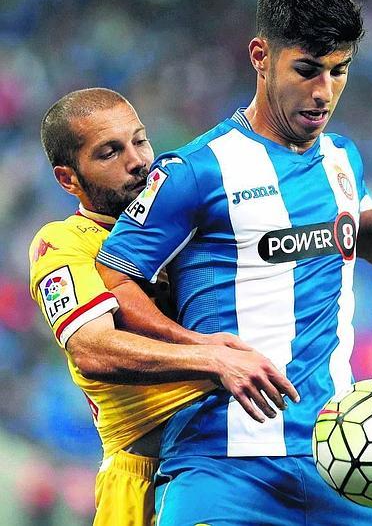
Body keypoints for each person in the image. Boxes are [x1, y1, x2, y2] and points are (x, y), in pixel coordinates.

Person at [96, 0, 372, 526]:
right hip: (220, 460)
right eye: (307, 70)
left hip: (338, 455)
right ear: (260, 56)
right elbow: (117, 277)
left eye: (339, 71)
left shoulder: (341, 159)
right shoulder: (194, 171)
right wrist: (199, 351)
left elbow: (358, 225)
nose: (323, 91)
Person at [29, 87, 299, 526]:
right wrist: (210, 358)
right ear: (68, 179)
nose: (137, 161)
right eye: (109, 153)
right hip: (145, 480)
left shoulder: (192, 219)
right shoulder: (63, 244)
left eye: (139, 140)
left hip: (244, 461)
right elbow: (93, 349)